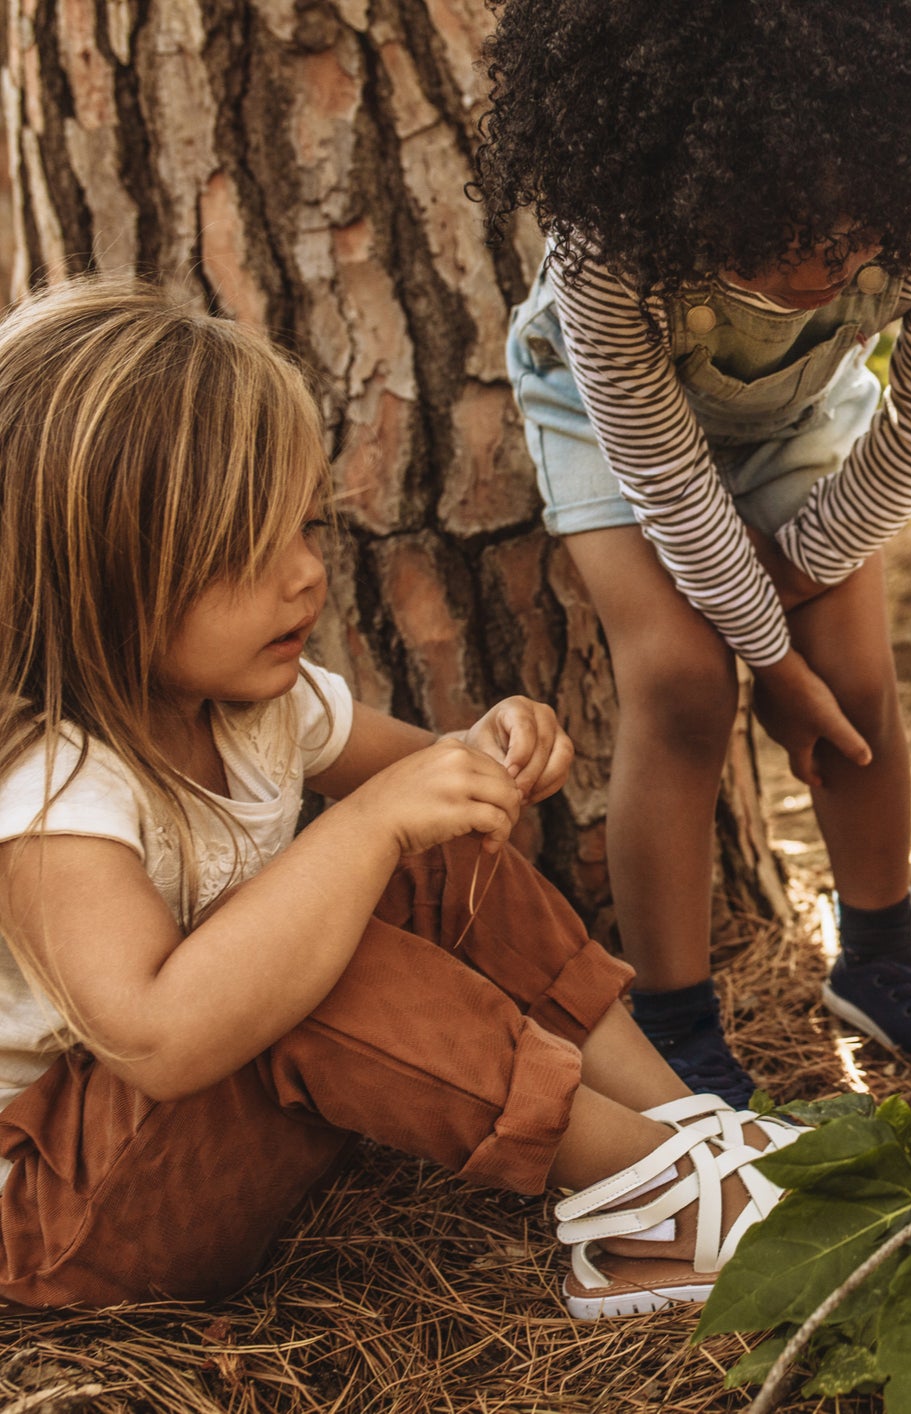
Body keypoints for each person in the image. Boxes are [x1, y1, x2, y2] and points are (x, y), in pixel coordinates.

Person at [0, 278, 800, 1318]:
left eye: (306, 530)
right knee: (318, 958)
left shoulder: (254, 705)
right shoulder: (54, 795)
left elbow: (432, 779)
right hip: (62, 1223)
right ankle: (659, 1199)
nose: (304, 577)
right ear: (101, 578)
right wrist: (372, 824)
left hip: (182, 1148)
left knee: (427, 852)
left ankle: (686, 1131)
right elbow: (161, 1038)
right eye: (249, 553)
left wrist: (490, 749)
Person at [472, 0, 911, 1102]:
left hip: (800, 415)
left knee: (857, 678)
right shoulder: (610, 224)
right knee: (686, 681)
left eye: (849, 236)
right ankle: (677, 1022)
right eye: (774, 232)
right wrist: (766, 662)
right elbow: (663, 474)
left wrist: (795, 577)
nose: (817, 268)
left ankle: (883, 964)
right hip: (609, 420)